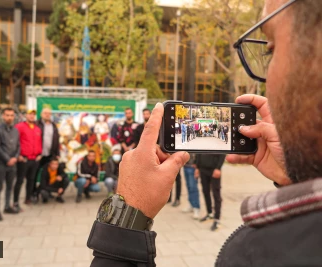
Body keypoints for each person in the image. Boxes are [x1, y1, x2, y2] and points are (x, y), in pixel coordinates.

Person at [87, 0, 322, 265]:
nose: (264, 78)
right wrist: (297, 178)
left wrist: (126, 220)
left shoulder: (258, 255)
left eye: (269, 50)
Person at [0, 108, 20, 221]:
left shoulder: (15, 130)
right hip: (1, 164)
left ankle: (7, 206)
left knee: (10, 186)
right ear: (3, 116)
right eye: (7, 115)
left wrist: (15, 157)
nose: (9, 117)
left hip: (12, 163)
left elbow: (18, 145)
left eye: (12, 115)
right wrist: (7, 159)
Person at [14, 110, 42, 210]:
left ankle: (28, 198)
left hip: (34, 159)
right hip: (23, 159)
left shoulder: (37, 129)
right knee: (20, 180)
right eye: (30, 114)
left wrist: (40, 154)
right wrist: (18, 155)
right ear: (26, 115)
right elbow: (15, 141)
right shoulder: (19, 127)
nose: (31, 116)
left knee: (31, 180)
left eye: (33, 115)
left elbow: (39, 142)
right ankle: (15, 201)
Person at [195, 154, 226, 231]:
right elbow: (199, 151)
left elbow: (222, 153)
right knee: (205, 191)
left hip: (214, 169)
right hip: (203, 169)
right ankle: (209, 213)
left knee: (216, 194)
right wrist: (197, 167)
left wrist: (218, 168)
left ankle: (217, 219)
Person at [182, 153, 200, 219]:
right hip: (186, 166)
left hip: (193, 167)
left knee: (193, 187)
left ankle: (196, 208)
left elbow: (199, 153)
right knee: (189, 186)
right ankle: (191, 204)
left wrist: (197, 166)